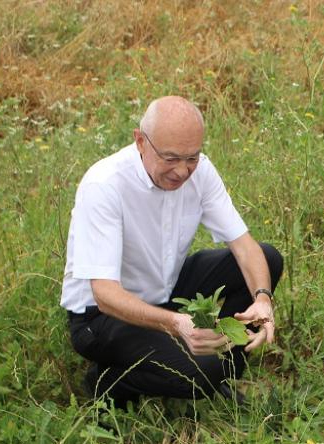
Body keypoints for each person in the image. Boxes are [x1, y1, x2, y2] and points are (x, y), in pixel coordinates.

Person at [60, 96, 282, 407]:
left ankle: (221, 371)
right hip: (100, 318)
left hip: (165, 288)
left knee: (267, 260)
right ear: (140, 141)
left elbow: (245, 247)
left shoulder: (201, 171)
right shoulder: (104, 185)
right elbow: (104, 293)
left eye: (192, 157)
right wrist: (176, 323)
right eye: (170, 158)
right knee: (202, 372)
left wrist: (262, 298)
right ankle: (109, 382)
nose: (182, 171)